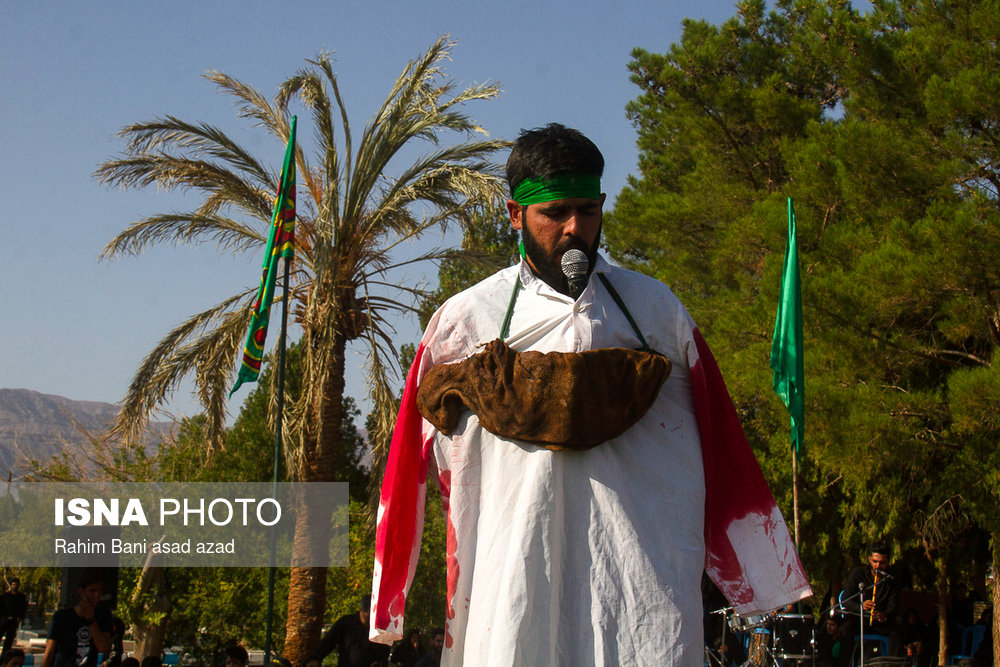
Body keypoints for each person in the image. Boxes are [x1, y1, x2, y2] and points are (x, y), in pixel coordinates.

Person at [369, 123, 811, 666]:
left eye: (588, 210)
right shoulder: (464, 320)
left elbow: (722, 444)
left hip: (640, 595)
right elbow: (403, 468)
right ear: (515, 214)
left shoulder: (655, 312)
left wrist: (764, 577)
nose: (575, 228)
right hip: (509, 593)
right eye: (555, 214)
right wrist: (389, 600)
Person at [40, 570, 113, 667]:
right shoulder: (61, 617)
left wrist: (91, 620)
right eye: (92, 591)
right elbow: (49, 652)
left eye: (100, 591)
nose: (97, 595)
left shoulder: (103, 615)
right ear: (81, 592)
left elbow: (103, 647)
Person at [840, 543, 902, 657]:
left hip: (880, 623)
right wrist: (861, 606)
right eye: (875, 561)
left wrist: (884, 615)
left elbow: (893, 606)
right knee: (845, 629)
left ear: (888, 561)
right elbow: (845, 600)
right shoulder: (858, 573)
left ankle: (892, 664)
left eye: (882, 563)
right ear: (869, 559)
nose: (877, 566)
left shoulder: (892, 580)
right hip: (859, 620)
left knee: (899, 626)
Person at [306, 596, 389, 667]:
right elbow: (328, 641)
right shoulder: (346, 622)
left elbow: (384, 652)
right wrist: (316, 658)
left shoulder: (380, 628)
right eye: (367, 618)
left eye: (373, 619)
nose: (370, 622)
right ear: (360, 610)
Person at [0, 578, 27, 659]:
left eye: (16, 585)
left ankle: (3, 659)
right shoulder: (5, 596)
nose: (15, 586)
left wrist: (19, 619)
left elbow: (23, 609)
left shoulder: (21, 597)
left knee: (8, 641)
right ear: (11, 585)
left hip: (13, 621)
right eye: (13, 585)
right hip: (4, 620)